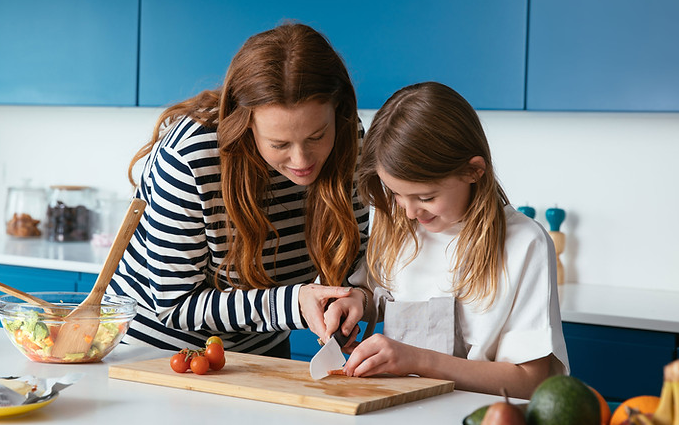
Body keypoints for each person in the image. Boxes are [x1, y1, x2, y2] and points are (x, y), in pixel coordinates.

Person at [108, 22, 370, 358]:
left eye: (317, 137)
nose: (302, 159)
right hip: (160, 354)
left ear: (339, 112)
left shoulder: (350, 139)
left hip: (261, 348)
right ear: (245, 123)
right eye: (279, 143)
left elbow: (353, 256)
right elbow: (173, 305)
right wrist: (295, 303)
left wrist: (345, 300)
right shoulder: (192, 156)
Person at [317, 81, 568, 398]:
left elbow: (531, 383)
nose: (408, 212)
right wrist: (358, 302)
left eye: (425, 196)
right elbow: (380, 293)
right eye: (396, 194)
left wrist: (417, 360)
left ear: (473, 171)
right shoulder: (399, 224)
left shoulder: (524, 244)